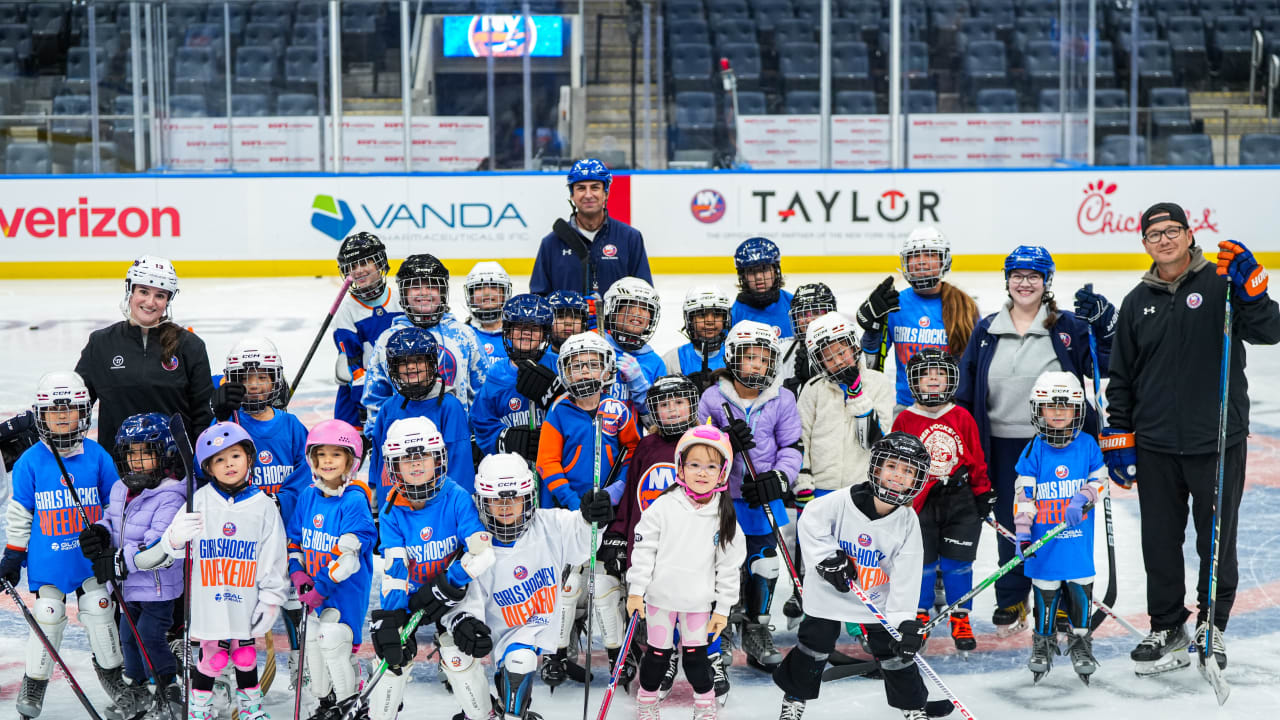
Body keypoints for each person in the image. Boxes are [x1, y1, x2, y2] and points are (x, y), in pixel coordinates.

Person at [1105, 203, 1280, 675]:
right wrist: (1119, 434)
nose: (1164, 240)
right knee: (1159, 541)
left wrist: (1254, 292)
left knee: (1216, 541)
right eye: (1154, 234)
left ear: (1188, 234)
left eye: (1172, 231)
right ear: (1144, 243)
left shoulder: (1222, 287)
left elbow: (1270, 331)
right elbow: (1120, 375)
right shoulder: (1136, 300)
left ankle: (1211, 624)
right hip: (1157, 443)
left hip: (1217, 439)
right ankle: (1167, 624)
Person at [955, 245, 1113, 638]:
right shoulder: (987, 328)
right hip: (1001, 443)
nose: (1025, 283)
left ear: (1047, 282)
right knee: (1013, 520)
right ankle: (1011, 595)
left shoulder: (1070, 326)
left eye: (1034, 276)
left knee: (1060, 519)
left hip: (1060, 443)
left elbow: (1105, 364)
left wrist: (1104, 323)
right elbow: (965, 386)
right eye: (1017, 275)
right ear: (1007, 280)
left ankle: (1060, 600)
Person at [772, 433, 939, 720]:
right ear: (876, 467)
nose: (898, 476)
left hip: (876, 598)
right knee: (814, 644)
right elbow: (811, 519)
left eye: (908, 471)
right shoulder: (841, 501)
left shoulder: (907, 522)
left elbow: (907, 574)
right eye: (892, 466)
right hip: (830, 592)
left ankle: (913, 707)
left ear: (918, 480)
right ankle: (795, 700)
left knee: (896, 651)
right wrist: (827, 557)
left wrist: (904, 620)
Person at [442, 453, 614, 720]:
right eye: (497, 500)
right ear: (483, 502)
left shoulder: (548, 524)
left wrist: (593, 520)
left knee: (520, 659)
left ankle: (511, 714)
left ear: (528, 496)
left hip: (531, 628)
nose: (506, 506)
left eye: (514, 497)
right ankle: (481, 712)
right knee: (456, 653)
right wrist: (464, 620)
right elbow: (466, 597)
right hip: (495, 628)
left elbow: (582, 542)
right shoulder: (477, 546)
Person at [0, 372, 126, 718]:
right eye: (53, 411)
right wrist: (13, 554)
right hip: (49, 559)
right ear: (40, 415)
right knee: (48, 614)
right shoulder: (29, 462)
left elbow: (116, 502)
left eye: (69, 409)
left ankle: (113, 675)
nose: (61, 417)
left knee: (101, 611)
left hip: (87, 559)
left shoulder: (98, 456)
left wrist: (107, 535)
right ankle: (35, 680)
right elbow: (21, 512)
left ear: (84, 411)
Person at [157, 422, 289, 720]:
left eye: (235, 456)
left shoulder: (264, 506)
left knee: (245, 654)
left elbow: (273, 557)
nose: (229, 464)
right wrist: (177, 535)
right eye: (219, 459)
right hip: (209, 600)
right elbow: (172, 547)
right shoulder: (200, 501)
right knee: (212, 658)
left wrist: (270, 599)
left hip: (245, 597)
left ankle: (250, 710)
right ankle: (199, 709)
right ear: (208, 467)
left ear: (249, 458)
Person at [366, 416, 494, 720]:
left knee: (457, 652)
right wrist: (394, 614)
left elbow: (482, 553)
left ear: (438, 458)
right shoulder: (390, 508)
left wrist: (449, 582)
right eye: (406, 460)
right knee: (391, 657)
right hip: (413, 597)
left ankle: (481, 714)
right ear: (392, 466)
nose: (416, 465)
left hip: (453, 594)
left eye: (423, 456)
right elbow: (396, 568)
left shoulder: (458, 497)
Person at [534, 332, 640, 686]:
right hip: (570, 515)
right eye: (577, 367)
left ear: (607, 369)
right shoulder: (559, 411)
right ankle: (556, 652)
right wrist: (571, 501)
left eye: (593, 365)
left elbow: (632, 457)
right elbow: (546, 462)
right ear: (565, 372)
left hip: (607, 514)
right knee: (566, 586)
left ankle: (617, 654)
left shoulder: (619, 411)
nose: (584, 373)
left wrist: (612, 494)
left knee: (605, 585)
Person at [697, 320, 801, 672]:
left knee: (765, 563)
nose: (757, 366)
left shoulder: (782, 398)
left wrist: (778, 478)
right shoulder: (712, 398)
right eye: (750, 358)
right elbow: (697, 446)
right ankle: (721, 628)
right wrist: (724, 441)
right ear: (732, 358)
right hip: (722, 499)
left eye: (764, 359)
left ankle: (757, 627)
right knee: (720, 565)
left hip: (762, 499)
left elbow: (791, 447)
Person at [627, 424, 746, 720]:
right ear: (680, 466)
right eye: (694, 465)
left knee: (696, 659)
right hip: (660, 600)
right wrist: (636, 591)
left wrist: (722, 609)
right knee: (656, 656)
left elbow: (728, 567)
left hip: (697, 604)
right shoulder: (663, 506)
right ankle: (647, 702)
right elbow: (643, 552)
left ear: (722, 472)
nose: (702, 473)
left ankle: (704, 704)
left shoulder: (724, 515)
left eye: (710, 466)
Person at [77, 413, 188, 720]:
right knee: (128, 637)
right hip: (127, 587)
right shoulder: (118, 490)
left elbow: (155, 543)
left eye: (145, 452)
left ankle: (169, 688)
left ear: (163, 454)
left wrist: (115, 560)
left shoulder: (170, 495)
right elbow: (113, 523)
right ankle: (138, 692)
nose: (136, 460)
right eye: (131, 452)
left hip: (156, 585)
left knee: (150, 635)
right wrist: (99, 533)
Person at [788, 312, 894, 626]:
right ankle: (819, 619)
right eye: (827, 355)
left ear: (854, 347)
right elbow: (800, 436)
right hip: (821, 488)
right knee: (821, 558)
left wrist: (857, 395)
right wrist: (803, 479)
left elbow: (875, 442)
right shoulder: (813, 389)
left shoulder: (877, 384)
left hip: (860, 489)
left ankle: (862, 620)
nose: (837, 359)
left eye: (841, 349)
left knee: (863, 558)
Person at [890, 349, 992, 655]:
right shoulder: (905, 419)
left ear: (951, 380)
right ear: (914, 381)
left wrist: (982, 492)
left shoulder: (962, 416)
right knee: (921, 563)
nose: (933, 378)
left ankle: (959, 616)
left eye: (940, 373)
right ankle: (919, 615)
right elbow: (894, 464)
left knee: (958, 563)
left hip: (959, 501)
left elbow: (976, 459)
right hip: (920, 504)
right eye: (926, 373)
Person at [1013, 372, 1106, 683]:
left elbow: (1100, 481)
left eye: (1064, 408)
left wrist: (1082, 498)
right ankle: (1043, 642)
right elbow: (1024, 496)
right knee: (1046, 592)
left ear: (1077, 411)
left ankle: (1081, 642)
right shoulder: (1033, 450)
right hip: (1044, 541)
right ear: (1038, 411)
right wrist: (1024, 532)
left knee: (1080, 588)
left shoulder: (1088, 445)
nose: (1057, 414)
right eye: (1050, 407)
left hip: (1077, 540)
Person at [75, 255, 214, 456]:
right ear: (130, 290)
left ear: (168, 299)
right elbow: (77, 403)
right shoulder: (101, 343)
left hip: (175, 471)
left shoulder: (190, 346)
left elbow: (203, 414)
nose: (150, 302)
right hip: (117, 468)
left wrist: (201, 464)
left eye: (160, 295)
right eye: (143, 291)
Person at [285, 419, 377, 714]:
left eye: (336, 455)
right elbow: (295, 541)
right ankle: (325, 702)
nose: (327, 461)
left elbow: (347, 558)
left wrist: (320, 586)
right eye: (321, 454)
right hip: (312, 589)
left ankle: (350, 703)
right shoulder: (308, 496)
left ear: (351, 460)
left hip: (342, 591)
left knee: (333, 639)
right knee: (311, 641)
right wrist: (297, 573)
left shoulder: (354, 500)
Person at [855, 227, 980, 414]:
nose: (921, 261)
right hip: (908, 408)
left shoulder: (965, 306)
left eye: (930, 255)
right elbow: (871, 368)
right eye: (914, 256)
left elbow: (976, 367)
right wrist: (872, 332)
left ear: (944, 260)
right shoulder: (894, 306)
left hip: (952, 410)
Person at [364, 254, 491, 421]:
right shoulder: (388, 339)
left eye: (431, 287)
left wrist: (477, 436)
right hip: (403, 440)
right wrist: (379, 434)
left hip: (455, 434)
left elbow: (483, 391)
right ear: (404, 293)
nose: (424, 293)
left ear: (443, 292)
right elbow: (376, 398)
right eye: (415, 286)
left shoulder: (463, 335)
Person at [365, 328, 474, 503]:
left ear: (432, 364)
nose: (410, 367)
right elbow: (379, 462)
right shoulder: (389, 408)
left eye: (418, 360)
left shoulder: (449, 407)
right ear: (394, 369)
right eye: (403, 362)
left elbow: (459, 466)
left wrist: (456, 510)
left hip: (437, 510)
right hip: (395, 510)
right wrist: (377, 507)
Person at [530, 158, 653, 299]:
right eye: (581, 188)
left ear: (606, 193)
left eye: (595, 187)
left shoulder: (630, 238)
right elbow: (538, 300)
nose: (588, 195)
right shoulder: (551, 243)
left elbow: (645, 296)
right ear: (572, 195)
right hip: (568, 322)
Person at [471, 294, 557, 462]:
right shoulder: (496, 373)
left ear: (544, 334)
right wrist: (507, 439)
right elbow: (481, 422)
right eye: (519, 327)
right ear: (508, 332)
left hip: (552, 464)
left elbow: (578, 413)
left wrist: (557, 394)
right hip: (511, 468)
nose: (525, 333)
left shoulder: (558, 365)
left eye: (533, 327)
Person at [331, 232, 402, 431]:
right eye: (352, 266)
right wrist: (366, 400)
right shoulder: (346, 311)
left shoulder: (400, 300)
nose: (358, 271)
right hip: (358, 399)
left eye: (364, 263)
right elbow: (352, 366)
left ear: (380, 264)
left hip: (401, 390)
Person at [600, 276, 666, 420]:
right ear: (612, 309)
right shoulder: (596, 346)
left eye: (644, 308)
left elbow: (655, 423)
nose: (637, 313)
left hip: (633, 441)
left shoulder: (655, 363)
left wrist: (640, 388)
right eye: (630, 305)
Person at [663, 286, 733, 393]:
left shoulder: (736, 356)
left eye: (717, 314)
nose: (710, 321)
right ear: (690, 320)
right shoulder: (672, 360)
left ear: (725, 319)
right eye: (702, 315)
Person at [778, 283, 838, 397]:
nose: (809, 320)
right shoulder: (782, 351)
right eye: (803, 314)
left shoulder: (847, 347)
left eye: (816, 312)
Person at [730, 238, 795, 339]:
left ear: (775, 271)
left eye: (764, 269)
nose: (759, 277)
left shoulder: (792, 303)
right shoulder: (735, 314)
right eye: (751, 271)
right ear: (743, 277)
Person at [463, 261, 513, 364]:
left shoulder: (518, 335)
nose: (486, 293)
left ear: (505, 294)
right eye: (479, 287)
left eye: (494, 286)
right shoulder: (462, 335)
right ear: (471, 297)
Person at [545, 290, 590, 363]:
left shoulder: (595, 358)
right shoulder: (537, 358)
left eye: (575, 317)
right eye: (560, 317)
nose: (568, 322)